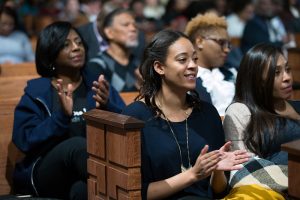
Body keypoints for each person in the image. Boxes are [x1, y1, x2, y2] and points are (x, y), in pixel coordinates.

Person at [122, 29, 249, 200]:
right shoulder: (135, 117)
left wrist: (217, 171)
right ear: (159, 67)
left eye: (195, 59)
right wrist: (192, 175)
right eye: (183, 60)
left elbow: (218, 192)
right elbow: (134, 193)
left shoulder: (207, 113)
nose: (193, 66)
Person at [12, 21, 125, 200]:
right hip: (48, 172)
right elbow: (25, 140)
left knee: (82, 191)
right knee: (76, 146)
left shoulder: (97, 86)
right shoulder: (38, 92)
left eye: (79, 43)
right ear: (51, 53)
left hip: (88, 175)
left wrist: (107, 107)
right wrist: (61, 117)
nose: (76, 48)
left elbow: (128, 126)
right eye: (66, 45)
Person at [223, 43, 300, 199]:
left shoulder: (297, 106)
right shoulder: (241, 110)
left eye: (287, 69)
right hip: (268, 190)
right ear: (257, 79)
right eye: (276, 72)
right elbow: (243, 167)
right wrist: (294, 179)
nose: (287, 78)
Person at [184, 12, 236, 116]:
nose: (226, 50)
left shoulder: (232, 72)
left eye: (228, 44)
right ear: (199, 42)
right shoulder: (185, 76)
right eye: (221, 43)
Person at [84, 8, 141, 92]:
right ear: (109, 32)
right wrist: (138, 86)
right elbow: (106, 100)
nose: (133, 29)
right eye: (126, 25)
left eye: (135, 25)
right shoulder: (97, 65)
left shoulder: (139, 63)